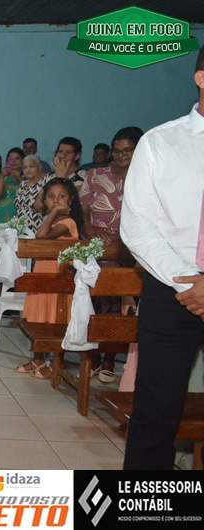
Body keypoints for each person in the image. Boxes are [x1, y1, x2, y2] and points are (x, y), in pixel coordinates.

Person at [119, 46, 204, 470]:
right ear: (201, 78)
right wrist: (189, 279)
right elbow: (137, 225)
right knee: (156, 411)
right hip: (173, 291)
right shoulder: (160, 142)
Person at [79, 127, 143, 384]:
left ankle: (109, 358)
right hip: (97, 246)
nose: (121, 155)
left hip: (128, 250)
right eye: (117, 150)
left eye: (127, 150)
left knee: (118, 305)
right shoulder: (96, 175)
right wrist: (89, 230)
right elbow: (83, 208)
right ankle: (92, 355)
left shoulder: (145, 176)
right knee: (94, 301)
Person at [17, 178, 82, 379]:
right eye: (51, 197)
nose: (56, 201)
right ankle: (37, 359)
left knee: (55, 319)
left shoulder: (68, 222)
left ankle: (56, 363)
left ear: (70, 200)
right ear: (44, 200)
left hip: (58, 279)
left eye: (61, 196)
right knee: (38, 317)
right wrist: (51, 215)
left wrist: (53, 213)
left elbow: (42, 236)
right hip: (43, 276)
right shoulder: (51, 220)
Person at [15, 154, 47, 233]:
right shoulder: (22, 184)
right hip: (21, 229)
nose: (28, 170)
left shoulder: (45, 183)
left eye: (31, 166)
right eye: (25, 167)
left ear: (39, 167)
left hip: (39, 228)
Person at [0, 147, 23, 224]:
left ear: (23, 160)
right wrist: (2, 176)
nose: (13, 161)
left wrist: (20, 178)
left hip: (21, 217)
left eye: (17, 158)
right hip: (1, 217)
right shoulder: (1, 177)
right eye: (11, 159)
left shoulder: (28, 176)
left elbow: (31, 193)